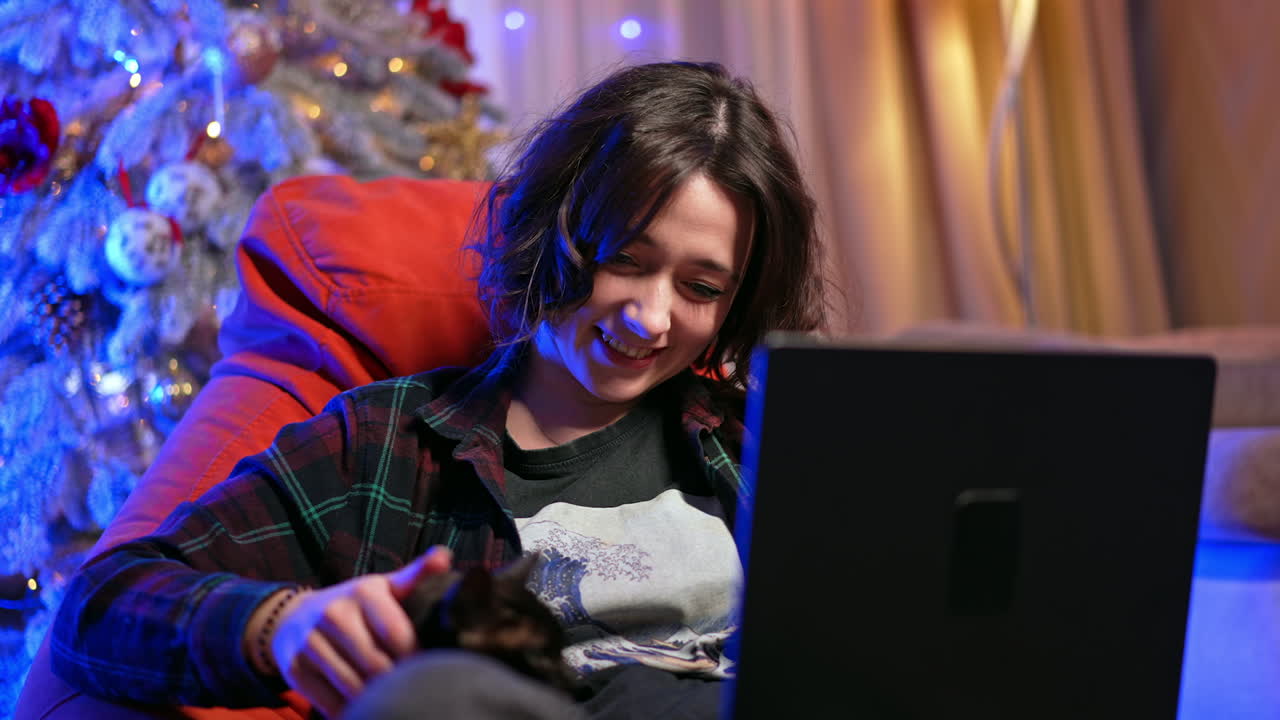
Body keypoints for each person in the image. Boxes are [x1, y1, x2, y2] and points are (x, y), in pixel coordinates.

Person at [51, 60, 828, 719]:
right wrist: (280, 623)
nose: (652, 316)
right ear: (554, 228)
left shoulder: (756, 441)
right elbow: (101, 606)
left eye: (699, 287)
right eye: (626, 260)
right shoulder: (389, 444)